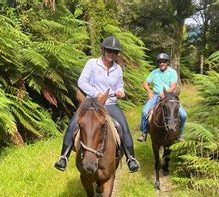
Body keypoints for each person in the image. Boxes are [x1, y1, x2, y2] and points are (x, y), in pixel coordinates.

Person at [54, 36, 141, 173]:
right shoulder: (92, 64)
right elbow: (82, 82)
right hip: (91, 103)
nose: (111, 54)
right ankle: (63, 157)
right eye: (109, 50)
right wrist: (96, 93)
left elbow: (120, 86)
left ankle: (131, 158)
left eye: (115, 52)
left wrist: (120, 92)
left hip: (111, 103)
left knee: (123, 127)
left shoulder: (118, 69)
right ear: (103, 50)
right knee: (74, 123)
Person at [137, 53, 187, 142]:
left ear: (167, 62)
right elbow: (145, 83)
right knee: (144, 112)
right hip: (156, 95)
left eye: (164, 62)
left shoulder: (172, 72)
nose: (162, 63)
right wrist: (149, 91)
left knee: (183, 115)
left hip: (170, 95)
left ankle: (180, 134)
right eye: (160, 62)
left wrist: (165, 93)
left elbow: (173, 86)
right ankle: (144, 133)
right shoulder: (154, 72)